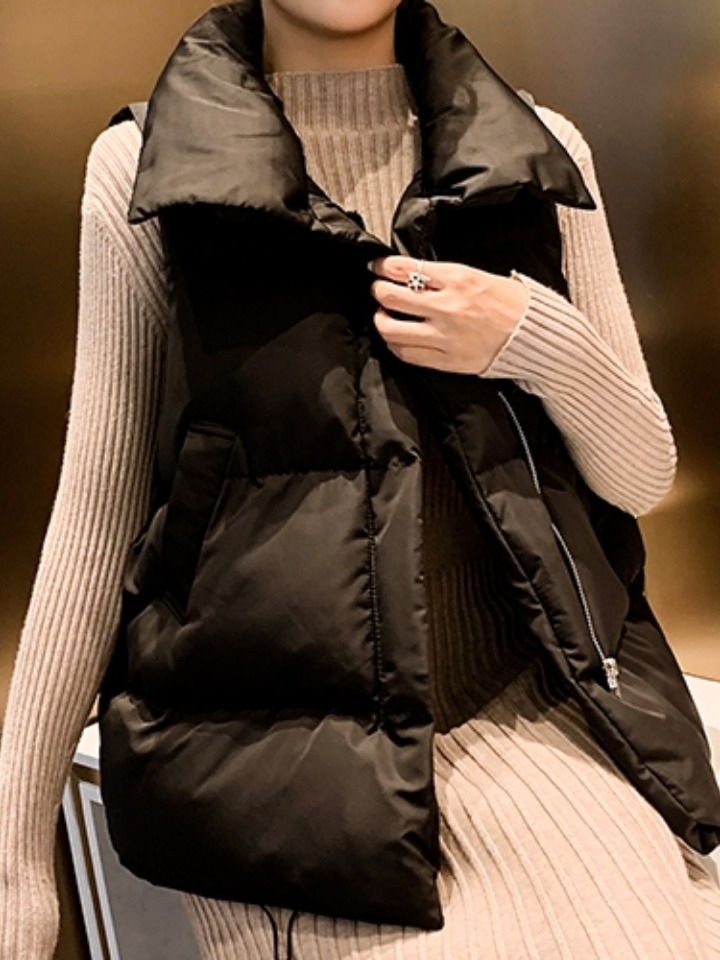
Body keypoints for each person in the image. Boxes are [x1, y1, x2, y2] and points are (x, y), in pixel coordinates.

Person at [2, 0, 720, 958]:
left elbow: (639, 474)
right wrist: (17, 857)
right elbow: (96, 523)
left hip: (531, 720)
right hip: (279, 777)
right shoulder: (145, 169)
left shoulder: (536, 150)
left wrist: (530, 336)